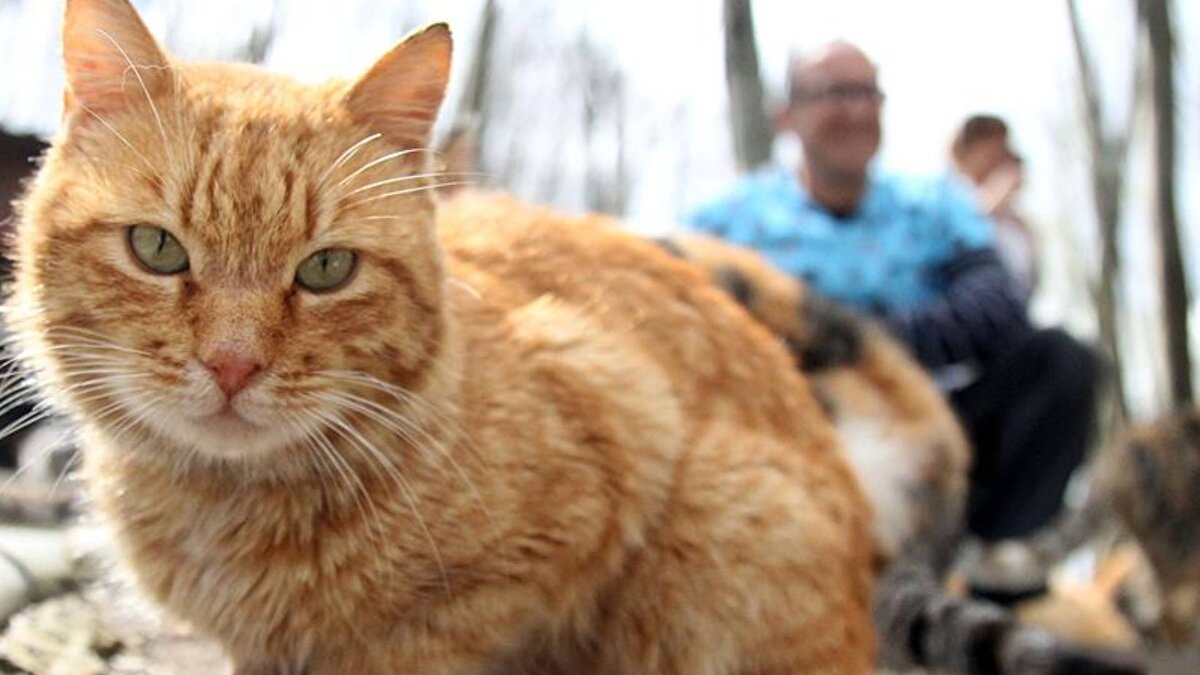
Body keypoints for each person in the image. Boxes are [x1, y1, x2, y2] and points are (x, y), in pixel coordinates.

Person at [688, 42, 1097, 587]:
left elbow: (998, 306)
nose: (858, 110)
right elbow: (680, 325)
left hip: (935, 425)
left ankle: (994, 574)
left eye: (869, 92)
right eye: (837, 92)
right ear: (788, 115)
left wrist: (860, 344)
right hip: (795, 436)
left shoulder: (934, 205)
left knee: (1062, 361)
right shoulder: (726, 222)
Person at [949, 115, 1039, 294]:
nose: (1000, 157)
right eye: (991, 150)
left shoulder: (1014, 224)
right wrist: (992, 203)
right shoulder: (945, 199)